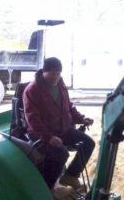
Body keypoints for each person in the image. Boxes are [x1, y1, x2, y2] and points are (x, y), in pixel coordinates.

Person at [23, 57, 95, 192]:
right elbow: (32, 120)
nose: (55, 77)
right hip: (40, 133)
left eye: (58, 73)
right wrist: (49, 138)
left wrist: (81, 119)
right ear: (43, 72)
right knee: (60, 154)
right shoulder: (32, 90)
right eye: (51, 74)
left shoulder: (60, 84)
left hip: (62, 129)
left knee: (88, 143)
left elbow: (68, 106)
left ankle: (71, 175)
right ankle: (46, 189)